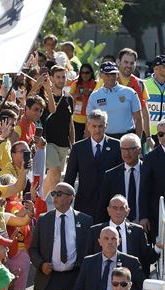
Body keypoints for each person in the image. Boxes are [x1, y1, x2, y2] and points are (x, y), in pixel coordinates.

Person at [63, 109, 123, 218]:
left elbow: (121, 176)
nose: (97, 130)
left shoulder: (117, 146)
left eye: (100, 126)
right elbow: (69, 177)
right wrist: (65, 200)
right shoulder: (78, 148)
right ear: (88, 126)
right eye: (94, 126)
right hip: (84, 203)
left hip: (110, 205)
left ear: (106, 126)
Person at [87, 195, 155, 274]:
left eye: (122, 208)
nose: (118, 212)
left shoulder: (138, 231)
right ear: (108, 210)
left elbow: (147, 257)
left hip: (129, 281)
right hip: (102, 280)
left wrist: (157, 248)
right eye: (115, 208)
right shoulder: (95, 231)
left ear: (128, 211)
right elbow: (89, 259)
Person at [38, 65, 75, 197]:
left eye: (63, 77)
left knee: (54, 177)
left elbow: (70, 124)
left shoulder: (69, 98)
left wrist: (73, 143)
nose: (61, 80)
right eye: (58, 77)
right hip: (49, 141)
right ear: (52, 78)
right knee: (56, 171)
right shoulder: (45, 96)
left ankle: (40, 199)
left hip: (64, 143)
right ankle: (48, 202)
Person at [97, 134, 145, 224]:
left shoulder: (149, 171)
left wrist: (145, 217)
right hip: (118, 230)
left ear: (139, 150)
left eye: (130, 149)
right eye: (123, 149)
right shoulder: (110, 175)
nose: (126, 153)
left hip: (146, 227)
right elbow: (103, 207)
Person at [87, 62, 142, 139]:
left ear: (117, 74)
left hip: (127, 136)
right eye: (107, 74)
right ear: (100, 75)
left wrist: (138, 139)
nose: (111, 77)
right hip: (104, 138)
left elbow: (138, 118)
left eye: (113, 74)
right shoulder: (95, 96)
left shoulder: (130, 92)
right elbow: (89, 121)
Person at [116, 48, 154, 150]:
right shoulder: (106, 81)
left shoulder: (140, 84)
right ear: (118, 62)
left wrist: (148, 137)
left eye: (132, 63)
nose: (129, 65)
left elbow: (144, 113)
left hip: (131, 134)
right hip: (110, 134)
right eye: (126, 62)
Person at [68, 63, 96, 138]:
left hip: (90, 118)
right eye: (82, 72)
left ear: (91, 73)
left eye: (87, 72)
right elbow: (68, 97)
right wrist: (77, 94)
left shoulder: (95, 84)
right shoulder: (76, 84)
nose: (85, 75)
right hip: (76, 118)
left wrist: (90, 93)